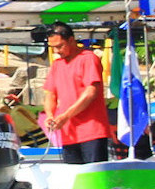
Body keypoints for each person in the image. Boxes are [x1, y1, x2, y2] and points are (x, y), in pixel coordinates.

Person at [43, 22, 113, 164]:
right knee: (73, 174)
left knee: (94, 176)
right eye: (53, 48)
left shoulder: (88, 58)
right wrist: (50, 115)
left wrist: (65, 116)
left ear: (71, 40)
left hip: (92, 131)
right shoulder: (57, 65)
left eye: (59, 46)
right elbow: (50, 94)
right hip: (69, 133)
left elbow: (91, 92)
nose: (57, 51)